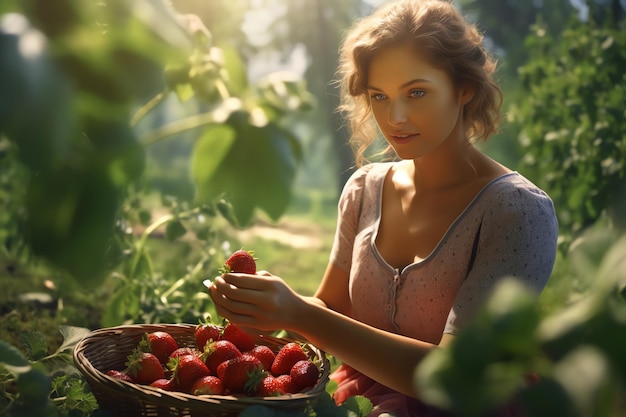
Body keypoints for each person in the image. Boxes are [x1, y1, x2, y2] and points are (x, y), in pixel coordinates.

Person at [209, 0, 559, 415]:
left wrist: (301, 313)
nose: (394, 117)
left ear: (464, 88)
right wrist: (268, 311)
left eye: (416, 93)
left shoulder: (517, 212)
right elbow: (331, 308)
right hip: (357, 401)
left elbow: (455, 375)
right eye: (379, 96)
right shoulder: (364, 189)